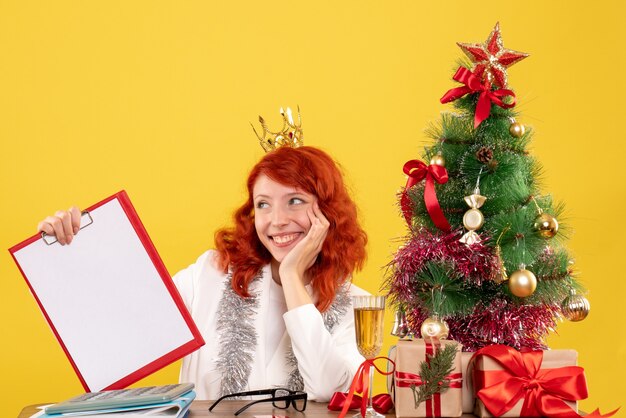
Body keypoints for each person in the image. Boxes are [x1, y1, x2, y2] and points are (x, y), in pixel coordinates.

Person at [37, 144, 369, 401]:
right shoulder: (212, 274)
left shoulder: (360, 307)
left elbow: (329, 390)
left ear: (327, 212)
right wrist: (74, 250)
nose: (277, 220)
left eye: (294, 201)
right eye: (264, 204)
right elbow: (124, 320)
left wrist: (293, 275)